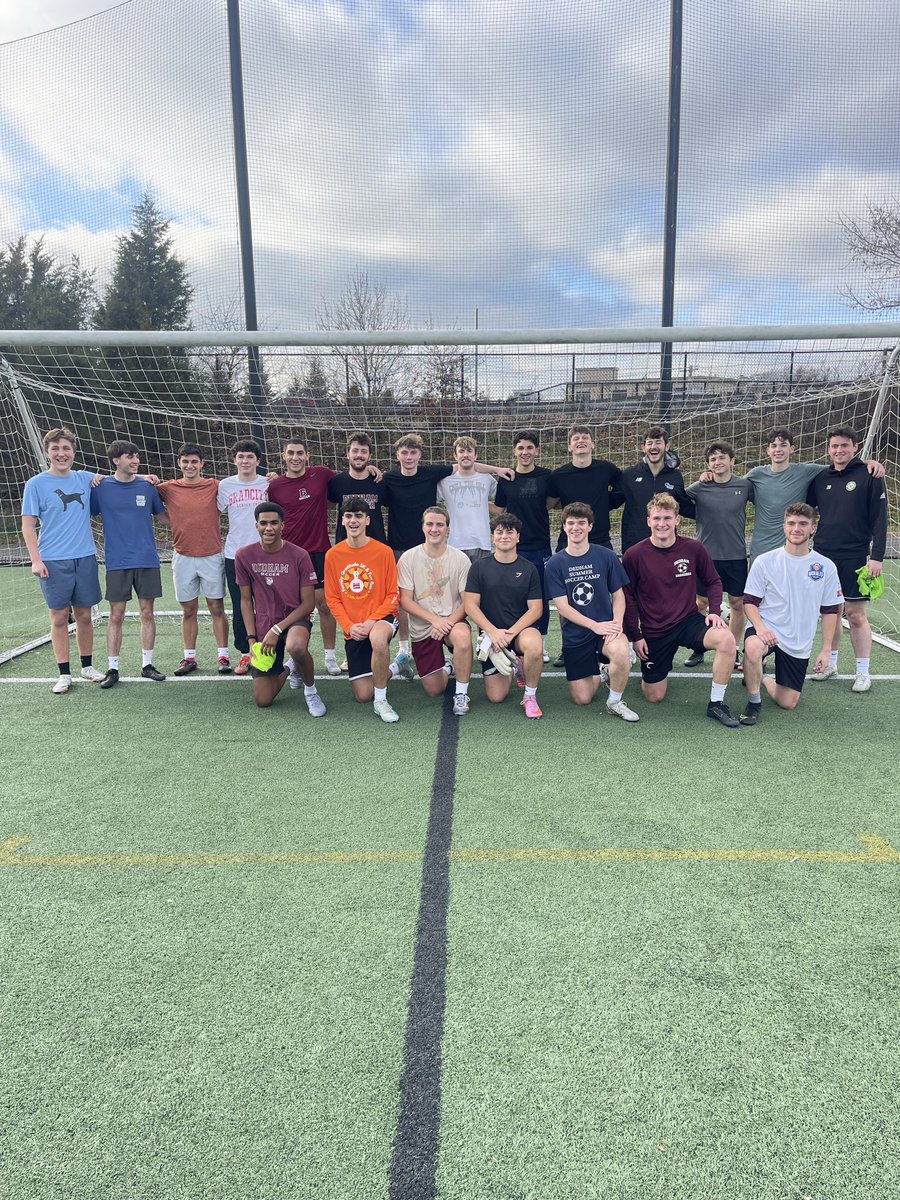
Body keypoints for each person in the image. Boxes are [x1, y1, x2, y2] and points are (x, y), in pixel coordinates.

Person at [383, 432, 512, 669]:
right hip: (406, 546)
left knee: (470, 596)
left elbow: (469, 468)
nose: (409, 456)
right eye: (404, 452)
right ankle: (404, 650)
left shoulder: (433, 474)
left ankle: (477, 644)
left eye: (413, 452)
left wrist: (496, 469)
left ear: (420, 455)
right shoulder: (391, 478)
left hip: (467, 545)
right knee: (409, 599)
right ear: (397, 455)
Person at [622, 493, 740, 727]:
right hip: (654, 630)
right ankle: (649, 672)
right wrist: (636, 636)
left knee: (726, 640)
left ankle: (716, 704)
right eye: (656, 518)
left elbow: (714, 581)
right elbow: (627, 597)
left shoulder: (693, 548)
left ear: (677, 520)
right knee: (654, 696)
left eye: (667, 517)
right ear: (648, 521)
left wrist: (714, 611)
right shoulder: (634, 555)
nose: (661, 523)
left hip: (689, 622)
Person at [269, 438, 382, 678]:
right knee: (292, 606)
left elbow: (351, 475)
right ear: (283, 456)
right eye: (291, 453)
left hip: (319, 551)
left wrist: (371, 469)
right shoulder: (275, 485)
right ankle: (295, 656)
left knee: (325, 605)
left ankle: (329, 656)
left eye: (300, 453)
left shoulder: (321, 475)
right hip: (289, 553)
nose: (295, 457)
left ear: (308, 455)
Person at [739, 503, 843, 724]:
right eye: (792, 523)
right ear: (784, 527)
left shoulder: (825, 566)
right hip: (767, 629)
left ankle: (763, 677)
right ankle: (754, 701)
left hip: (798, 640)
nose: (797, 528)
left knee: (788, 702)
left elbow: (831, 610)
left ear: (812, 528)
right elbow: (749, 602)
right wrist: (760, 627)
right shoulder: (765, 561)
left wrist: (826, 650)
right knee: (754, 647)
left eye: (803, 524)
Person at [20, 426, 104, 693]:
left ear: (73, 451)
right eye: (55, 449)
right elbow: (28, 525)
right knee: (59, 617)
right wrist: (36, 560)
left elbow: (116, 479)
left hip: (85, 557)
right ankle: (64, 673)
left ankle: (87, 666)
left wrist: (143, 476)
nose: (61, 453)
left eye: (65, 448)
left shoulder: (84, 478)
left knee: (84, 615)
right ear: (47, 453)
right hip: (53, 560)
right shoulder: (36, 484)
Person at [806, 426, 889, 693]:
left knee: (855, 614)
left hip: (856, 554)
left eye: (844, 446)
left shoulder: (869, 475)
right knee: (830, 612)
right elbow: (808, 510)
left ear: (855, 447)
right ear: (828, 450)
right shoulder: (821, 478)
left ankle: (863, 672)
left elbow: (880, 519)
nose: (839, 451)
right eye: (834, 446)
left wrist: (876, 557)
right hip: (822, 554)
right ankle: (830, 663)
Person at [544, 502, 639, 722]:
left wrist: (616, 623)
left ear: (590, 526)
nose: (575, 527)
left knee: (622, 652)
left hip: (606, 628)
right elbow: (563, 607)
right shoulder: (555, 563)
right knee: (582, 698)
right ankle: (604, 671)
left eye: (581, 523)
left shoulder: (605, 556)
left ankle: (614, 701)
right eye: (571, 523)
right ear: (564, 527)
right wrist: (594, 625)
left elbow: (618, 595)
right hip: (577, 634)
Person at [90, 440, 167, 688]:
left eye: (137, 457)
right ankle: (113, 668)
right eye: (129, 457)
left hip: (147, 559)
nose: (135, 461)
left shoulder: (147, 486)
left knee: (147, 612)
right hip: (117, 561)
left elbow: (164, 516)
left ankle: (147, 665)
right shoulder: (100, 487)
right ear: (115, 460)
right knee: (116, 615)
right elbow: (84, 508)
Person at [235, 502, 325, 713]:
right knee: (263, 700)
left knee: (296, 646)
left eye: (274, 523)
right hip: (264, 625)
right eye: (264, 523)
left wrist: (278, 630)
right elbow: (246, 601)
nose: (269, 528)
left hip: (295, 619)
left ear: (282, 526)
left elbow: (308, 603)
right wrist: (251, 639)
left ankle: (311, 691)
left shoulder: (299, 555)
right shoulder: (244, 555)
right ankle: (291, 666)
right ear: (256, 525)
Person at [745, 428, 884, 561]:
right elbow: (733, 487)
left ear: (792, 449)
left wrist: (866, 463)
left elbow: (841, 466)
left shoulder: (807, 471)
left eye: (783, 445)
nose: (778, 450)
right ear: (767, 450)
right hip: (761, 549)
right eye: (774, 446)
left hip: (793, 548)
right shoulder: (756, 475)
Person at [324, 498, 405, 723]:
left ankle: (382, 701)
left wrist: (371, 622)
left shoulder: (383, 551)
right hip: (355, 626)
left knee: (378, 640)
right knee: (362, 695)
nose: (353, 520)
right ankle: (396, 666)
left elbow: (393, 595)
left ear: (367, 520)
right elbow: (332, 598)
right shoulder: (333, 555)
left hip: (382, 618)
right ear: (342, 521)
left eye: (359, 516)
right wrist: (350, 626)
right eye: (349, 516)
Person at [547, 425, 622, 666]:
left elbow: (622, 489)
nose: (580, 441)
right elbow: (550, 502)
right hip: (569, 539)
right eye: (575, 439)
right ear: (569, 446)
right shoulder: (558, 475)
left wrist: (604, 506)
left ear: (592, 444)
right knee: (567, 593)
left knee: (608, 590)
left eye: (585, 438)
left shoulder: (607, 469)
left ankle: (609, 638)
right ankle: (568, 647)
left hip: (600, 538)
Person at [156, 443, 230, 675]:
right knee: (189, 610)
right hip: (183, 556)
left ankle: (224, 656)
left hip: (211, 555)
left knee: (216, 607)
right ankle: (189, 658)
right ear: (179, 463)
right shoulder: (168, 488)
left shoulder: (214, 486)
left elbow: (242, 484)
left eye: (194, 462)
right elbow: (141, 489)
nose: (190, 465)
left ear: (202, 464)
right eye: (185, 461)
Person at [463, 513, 545, 718]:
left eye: (510, 532)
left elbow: (536, 609)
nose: (504, 536)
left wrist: (509, 634)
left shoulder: (529, 568)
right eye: (499, 532)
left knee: (534, 644)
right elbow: (470, 605)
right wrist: (492, 632)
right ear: (492, 536)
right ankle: (517, 667)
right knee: (496, 697)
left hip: (518, 633)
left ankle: (530, 696)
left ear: (518, 537)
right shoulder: (479, 567)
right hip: (491, 638)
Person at [397, 505, 474, 715]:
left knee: (462, 635)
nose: (434, 529)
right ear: (422, 527)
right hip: (424, 628)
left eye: (440, 524)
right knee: (434, 690)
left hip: (452, 621)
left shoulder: (460, 559)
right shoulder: (408, 558)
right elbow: (406, 601)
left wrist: (446, 622)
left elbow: (467, 603)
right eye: (429, 524)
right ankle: (449, 665)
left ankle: (461, 693)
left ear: (447, 528)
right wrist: (434, 620)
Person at [683, 441, 754, 669]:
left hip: (735, 556)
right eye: (713, 459)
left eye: (722, 457)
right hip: (706, 556)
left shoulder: (744, 486)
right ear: (708, 465)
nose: (717, 462)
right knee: (700, 603)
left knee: (737, 603)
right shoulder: (700, 487)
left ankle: (732, 650)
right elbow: (679, 500)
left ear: (732, 461)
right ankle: (699, 647)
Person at [493, 429, 554, 660]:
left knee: (540, 596)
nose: (525, 452)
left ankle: (541, 641)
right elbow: (500, 509)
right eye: (521, 448)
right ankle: (512, 638)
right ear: (514, 451)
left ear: (536, 450)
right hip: (513, 546)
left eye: (529, 447)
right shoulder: (506, 478)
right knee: (512, 594)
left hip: (540, 545)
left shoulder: (546, 476)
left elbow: (552, 503)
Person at [218, 439, 269, 675]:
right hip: (235, 554)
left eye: (250, 457)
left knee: (267, 605)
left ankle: (268, 650)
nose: (245, 461)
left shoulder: (268, 483)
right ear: (234, 459)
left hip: (264, 554)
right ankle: (245, 653)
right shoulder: (225, 485)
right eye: (241, 456)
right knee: (241, 605)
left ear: (258, 461)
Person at [611, 426, 694, 556]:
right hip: (634, 545)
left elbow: (683, 505)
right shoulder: (629, 475)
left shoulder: (675, 476)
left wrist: (710, 512)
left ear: (667, 446)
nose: (653, 446)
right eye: (649, 443)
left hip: (665, 544)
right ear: (643, 447)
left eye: (658, 442)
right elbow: (611, 502)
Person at [436, 436, 498, 562]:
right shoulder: (445, 481)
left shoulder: (487, 479)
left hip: (482, 543)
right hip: (456, 544)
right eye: (461, 451)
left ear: (475, 455)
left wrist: (483, 504)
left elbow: (501, 505)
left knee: (481, 581)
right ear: (455, 455)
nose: (465, 455)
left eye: (469, 451)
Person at [327, 432, 387, 543]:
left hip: (376, 547)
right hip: (346, 546)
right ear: (347, 454)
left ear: (370, 456)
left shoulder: (380, 481)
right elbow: (325, 507)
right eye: (355, 451)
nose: (359, 455)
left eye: (364, 451)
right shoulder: (336, 482)